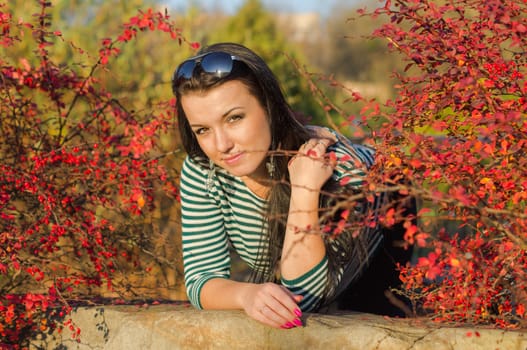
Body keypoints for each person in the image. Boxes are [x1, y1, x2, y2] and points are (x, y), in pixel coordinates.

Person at [171, 42, 413, 329]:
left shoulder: (344, 173)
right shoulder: (204, 169)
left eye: (234, 118)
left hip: (389, 211)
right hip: (300, 259)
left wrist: (304, 190)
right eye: (202, 130)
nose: (222, 145)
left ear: (269, 106)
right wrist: (245, 295)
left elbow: (308, 297)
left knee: (366, 312)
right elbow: (200, 278)